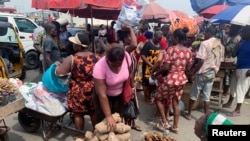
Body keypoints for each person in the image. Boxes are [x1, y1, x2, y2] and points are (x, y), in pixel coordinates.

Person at [55, 33, 100, 141]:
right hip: (93, 88)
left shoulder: (72, 58)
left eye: (74, 43)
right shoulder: (97, 57)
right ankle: (96, 134)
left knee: (78, 114)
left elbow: (60, 73)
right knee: (93, 112)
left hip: (77, 89)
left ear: (79, 46)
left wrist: (58, 65)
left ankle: (80, 135)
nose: (73, 45)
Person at [151, 27, 193, 134]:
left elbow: (165, 67)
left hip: (171, 79)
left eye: (173, 37)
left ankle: (165, 122)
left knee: (158, 98)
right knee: (176, 102)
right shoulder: (188, 51)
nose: (172, 39)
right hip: (181, 79)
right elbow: (188, 68)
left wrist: (156, 73)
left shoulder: (171, 50)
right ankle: (175, 127)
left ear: (177, 38)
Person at [184, 26, 225, 120]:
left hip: (203, 72)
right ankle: (206, 117)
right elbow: (221, 60)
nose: (204, 35)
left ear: (208, 33)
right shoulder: (220, 45)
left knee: (194, 93)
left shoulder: (205, 43)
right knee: (207, 96)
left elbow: (201, 61)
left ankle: (189, 114)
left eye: (206, 33)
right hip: (212, 72)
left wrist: (193, 72)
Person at [93, 44, 132, 130]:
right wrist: (108, 116)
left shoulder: (126, 57)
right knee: (104, 123)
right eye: (114, 65)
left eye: (119, 64)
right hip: (104, 96)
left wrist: (131, 87)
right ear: (107, 58)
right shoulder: (99, 67)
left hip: (119, 95)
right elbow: (102, 95)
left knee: (118, 120)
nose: (117, 67)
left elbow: (130, 71)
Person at [117, 24, 141, 131]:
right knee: (127, 102)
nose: (131, 38)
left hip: (132, 79)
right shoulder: (125, 49)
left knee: (132, 103)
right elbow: (135, 44)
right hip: (128, 81)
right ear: (125, 39)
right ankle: (125, 124)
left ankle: (131, 123)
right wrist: (130, 28)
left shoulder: (129, 50)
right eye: (129, 37)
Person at [226, 25, 250, 117]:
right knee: (233, 86)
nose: (242, 33)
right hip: (238, 67)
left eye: (245, 31)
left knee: (241, 89)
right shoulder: (242, 41)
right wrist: (237, 46)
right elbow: (234, 54)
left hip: (247, 69)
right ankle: (229, 103)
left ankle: (238, 110)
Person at [140, 30, 163, 104]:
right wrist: (150, 65)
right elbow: (143, 55)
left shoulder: (159, 44)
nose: (159, 40)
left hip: (155, 67)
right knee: (146, 82)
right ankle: (146, 97)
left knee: (153, 82)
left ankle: (149, 95)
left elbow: (160, 54)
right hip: (147, 66)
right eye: (158, 38)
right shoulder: (148, 44)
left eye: (160, 39)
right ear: (154, 36)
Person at [222, 25, 241, 98]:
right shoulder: (233, 37)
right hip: (229, 59)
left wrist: (222, 43)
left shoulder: (236, 38)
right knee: (227, 76)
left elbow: (228, 49)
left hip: (231, 60)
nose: (229, 30)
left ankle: (225, 92)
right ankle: (225, 91)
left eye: (231, 28)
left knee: (227, 76)